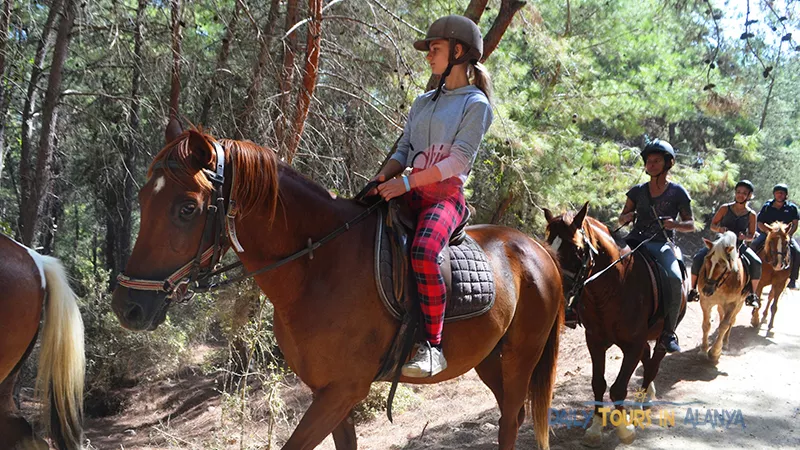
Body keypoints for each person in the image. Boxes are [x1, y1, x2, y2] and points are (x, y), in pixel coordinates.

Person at [371, 15, 493, 378]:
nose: (428, 56)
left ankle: (433, 346)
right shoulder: (423, 101)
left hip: (445, 198)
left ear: (458, 51)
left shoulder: (476, 104)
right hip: (409, 191)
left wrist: (406, 185)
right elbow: (404, 149)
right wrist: (381, 178)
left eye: (435, 49)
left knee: (424, 252)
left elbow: (457, 161)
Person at [618, 139, 694, 353]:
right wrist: (627, 217)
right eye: (649, 161)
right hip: (634, 240)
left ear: (668, 163)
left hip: (661, 243)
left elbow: (691, 224)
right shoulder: (637, 191)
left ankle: (668, 333)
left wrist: (674, 224)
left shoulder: (678, 192)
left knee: (674, 278)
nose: (651, 165)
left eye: (656, 161)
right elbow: (621, 218)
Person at [688, 180, 762, 306]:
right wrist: (720, 229)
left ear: (749, 196)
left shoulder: (751, 214)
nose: (740, 195)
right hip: (720, 244)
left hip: (738, 245)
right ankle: (693, 289)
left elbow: (751, 236)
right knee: (698, 257)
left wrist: (745, 237)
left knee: (756, 263)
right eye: (738, 192)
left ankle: (752, 295)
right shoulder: (725, 208)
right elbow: (712, 225)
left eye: (744, 193)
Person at [751, 183, 800, 288]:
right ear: (774, 194)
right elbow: (760, 222)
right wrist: (768, 233)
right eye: (778, 193)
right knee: (754, 245)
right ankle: (750, 274)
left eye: (782, 193)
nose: (780, 195)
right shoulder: (767, 207)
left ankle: (793, 278)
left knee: (797, 251)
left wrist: (788, 235)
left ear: (786, 195)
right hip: (768, 234)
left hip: (785, 235)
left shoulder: (792, 208)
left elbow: (795, 224)